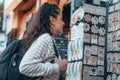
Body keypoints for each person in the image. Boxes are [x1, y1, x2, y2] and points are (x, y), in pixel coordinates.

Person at [19, 2, 68, 80]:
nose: (63, 23)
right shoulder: (45, 38)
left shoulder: (48, 39)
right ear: (52, 20)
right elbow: (25, 66)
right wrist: (57, 67)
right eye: (61, 19)